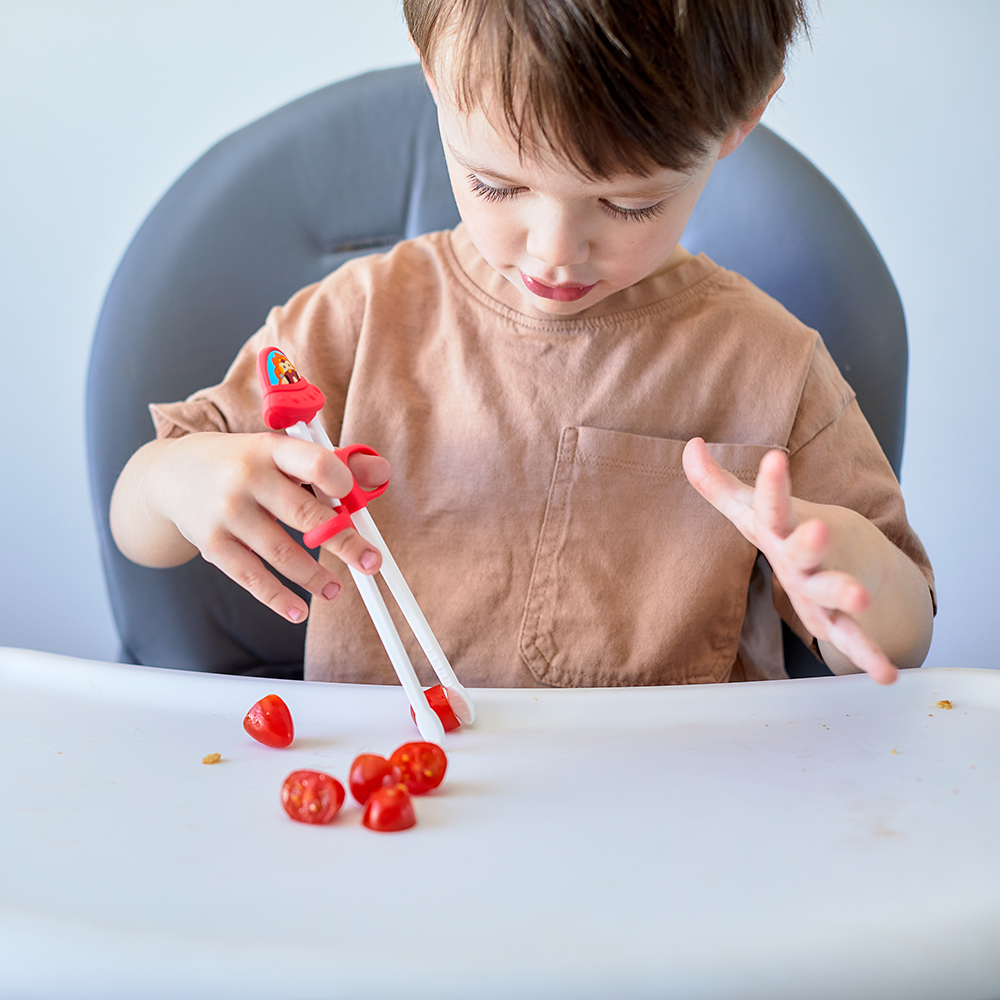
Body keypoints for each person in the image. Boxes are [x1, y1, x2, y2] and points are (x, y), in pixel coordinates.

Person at [110, 0, 934, 689]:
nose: (554, 252)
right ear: (433, 76)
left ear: (738, 121)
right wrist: (179, 482)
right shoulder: (356, 320)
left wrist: (849, 574)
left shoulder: (773, 369)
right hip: (396, 794)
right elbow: (137, 518)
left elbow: (903, 641)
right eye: (497, 185)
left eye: (629, 205)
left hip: (666, 807)